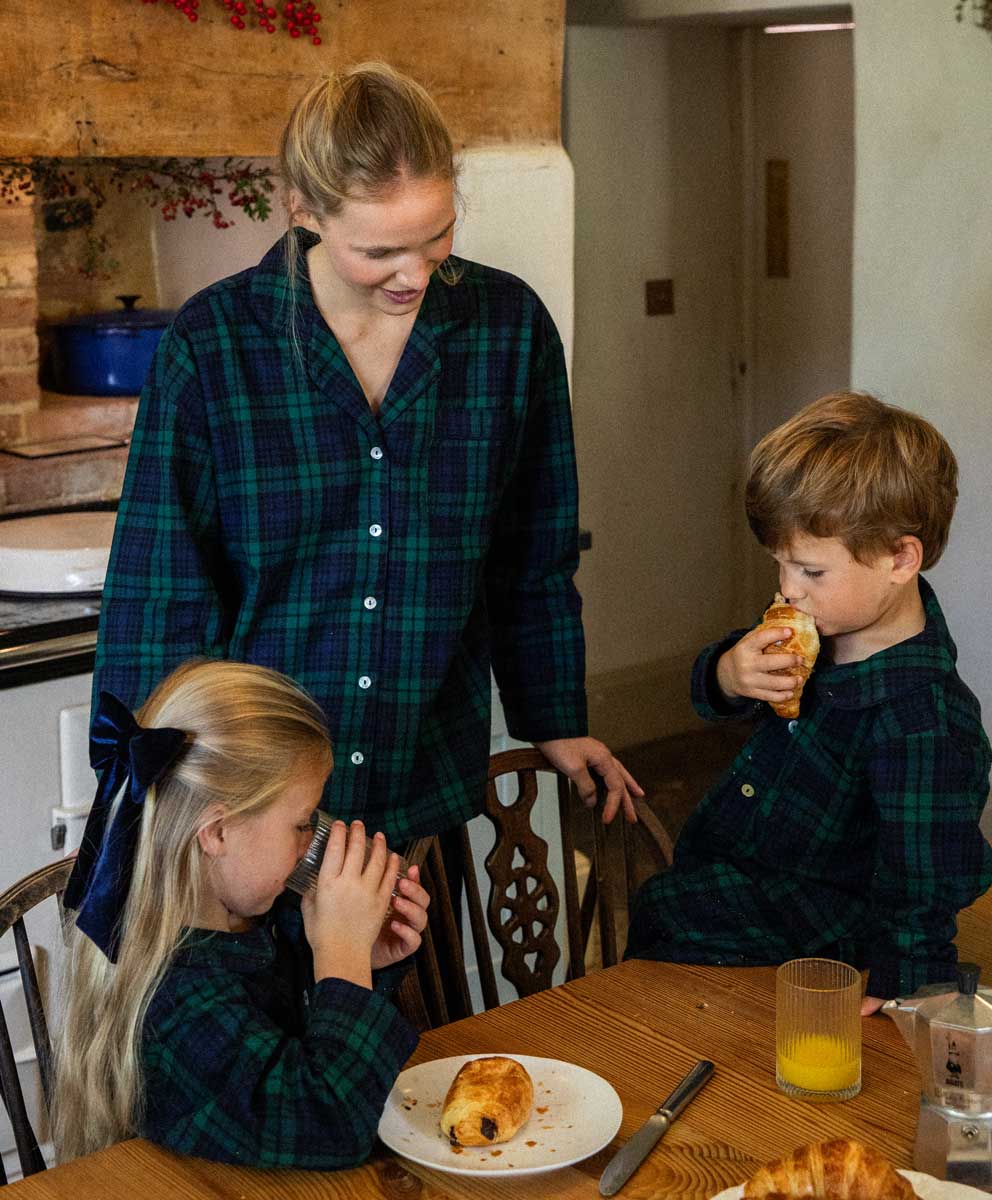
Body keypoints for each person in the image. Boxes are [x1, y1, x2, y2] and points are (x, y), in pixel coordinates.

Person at [92, 61, 641, 848]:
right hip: (252, 804)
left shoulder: (508, 331)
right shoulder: (214, 345)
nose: (415, 275)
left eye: (438, 235)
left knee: (405, 972)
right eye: (379, 250)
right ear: (304, 209)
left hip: (420, 778)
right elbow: (160, 595)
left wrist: (553, 717)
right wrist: (158, 798)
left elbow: (531, 558)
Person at [626, 391, 992, 1011]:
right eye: (780, 564)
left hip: (813, 950)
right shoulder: (818, 628)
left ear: (902, 558)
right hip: (732, 888)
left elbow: (923, 885)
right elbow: (712, 696)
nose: (786, 589)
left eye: (811, 572)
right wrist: (728, 673)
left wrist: (899, 988)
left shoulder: (923, 720)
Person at [53, 659, 429, 1168]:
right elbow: (328, 1124)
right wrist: (342, 953)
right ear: (218, 831)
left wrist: (362, 962)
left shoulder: (248, 926)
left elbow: (307, 1057)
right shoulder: (173, 1001)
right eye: (302, 823)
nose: (313, 841)